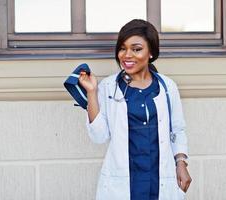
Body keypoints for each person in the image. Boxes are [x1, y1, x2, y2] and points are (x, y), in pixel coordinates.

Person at [79, 19, 191, 200]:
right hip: (123, 185)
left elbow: (177, 129)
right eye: (122, 48)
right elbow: (99, 136)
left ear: (151, 53)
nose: (127, 55)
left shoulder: (167, 87)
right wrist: (92, 92)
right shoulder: (108, 87)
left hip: (160, 181)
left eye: (136, 49)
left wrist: (181, 163)